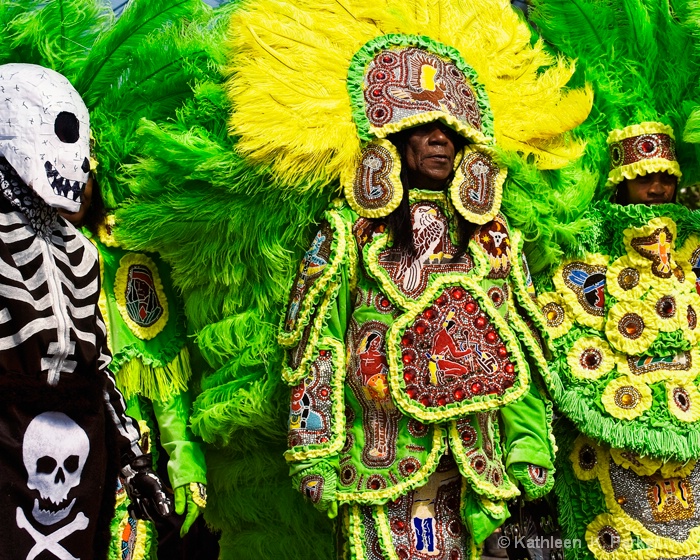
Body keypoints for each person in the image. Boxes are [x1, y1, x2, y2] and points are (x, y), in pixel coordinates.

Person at [524, 1, 700, 558]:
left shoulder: (696, 246)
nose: (655, 190)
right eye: (643, 179)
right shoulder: (588, 245)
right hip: (607, 429)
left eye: (664, 179)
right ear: (621, 183)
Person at [0, 63, 172, 560]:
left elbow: (98, 366)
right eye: (67, 134)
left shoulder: (83, 253)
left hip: (79, 449)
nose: (82, 160)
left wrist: (132, 460)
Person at [59, 174, 208, 560]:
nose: (73, 180)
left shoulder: (123, 261)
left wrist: (185, 464)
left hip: (122, 453)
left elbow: (163, 378)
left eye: (84, 168)